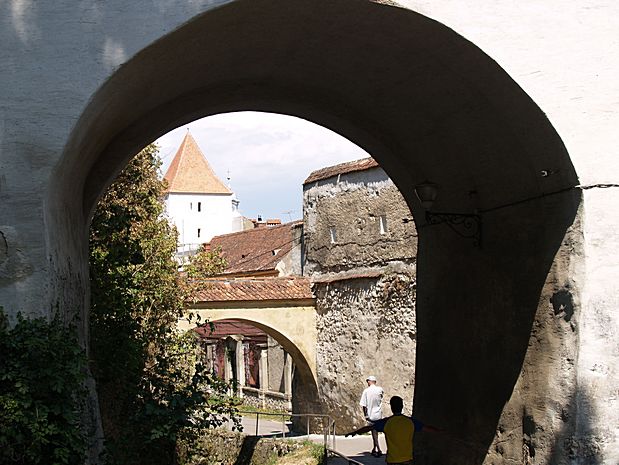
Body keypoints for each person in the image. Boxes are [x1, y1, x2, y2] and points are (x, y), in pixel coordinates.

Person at [346, 396, 441, 465]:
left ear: (391, 407)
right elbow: (428, 428)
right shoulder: (410, 422)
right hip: (407, 460)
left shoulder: (386, 422)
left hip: (393, 461)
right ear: (402, 406)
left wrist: (354, 432)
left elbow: (369, 428)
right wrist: (442, 432)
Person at [359, 375, 384, 457]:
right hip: (378, 414)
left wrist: (366, 415)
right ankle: (374, 449)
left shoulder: (366, 391)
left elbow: (364, 405)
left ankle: (379, 449)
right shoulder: (380, 390)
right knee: (375, 432)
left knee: (374, 432)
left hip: (371, 415)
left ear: (369, 382)